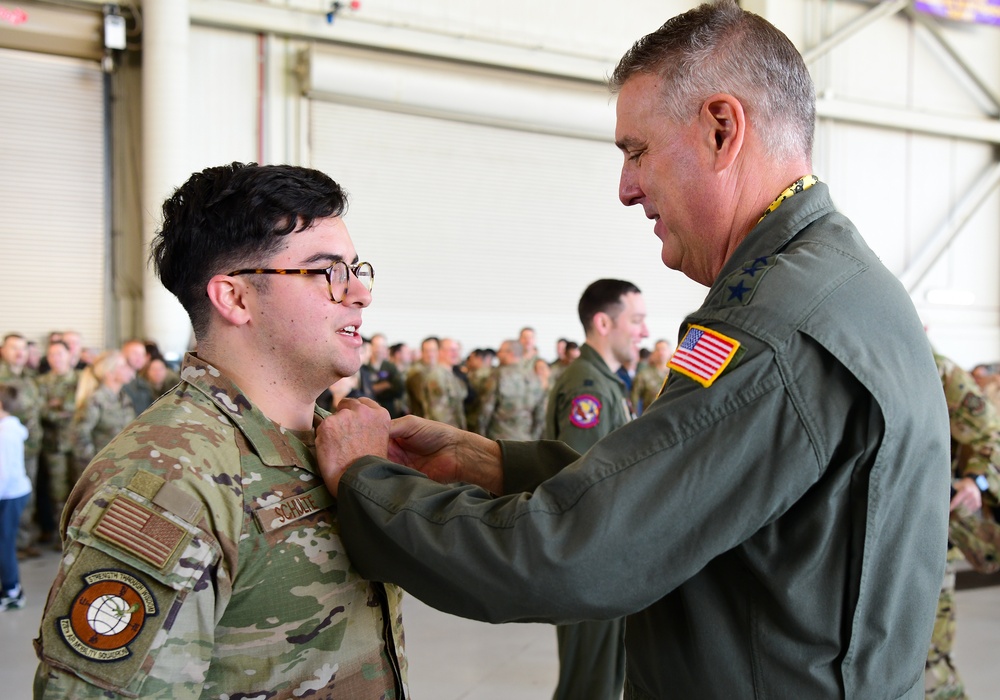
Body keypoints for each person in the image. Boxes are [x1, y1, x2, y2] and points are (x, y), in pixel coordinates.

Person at [314, 3, 950, 698]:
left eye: (637, 151)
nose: (625, 189)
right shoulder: (833, 283)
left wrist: (370, 486)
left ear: (720, 129)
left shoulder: (777, 330)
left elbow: (575, 557)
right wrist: (497, 465)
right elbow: (696, 495)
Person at [33, 162, 408, 699]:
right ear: (234, 298)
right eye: (328, 272)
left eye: (357, 269)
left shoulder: (335, 441)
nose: (360, 294)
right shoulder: (169, 481)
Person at [543, 279, 646, 700]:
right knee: (589, 689)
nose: (643, 330)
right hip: (589, 562)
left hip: (600, 560)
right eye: (636, 320)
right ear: (604, 323)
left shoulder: (604, 380)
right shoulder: (589, 387)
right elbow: (578, 482)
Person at [926, 352, 1000, 700]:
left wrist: (976, 483)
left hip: (929, 528)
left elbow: (991, 436)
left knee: (930, 659)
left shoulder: (938, 370)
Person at [0, 333, 42, 558]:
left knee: (26, 495)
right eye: (14, 348)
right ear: (3, 351)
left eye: (23, 348)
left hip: (30, 448)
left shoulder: (31, 377)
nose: (19, 352)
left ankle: (23, 541)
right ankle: (9, 546)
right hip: (6, 449)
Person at [35, 340, 79, 546]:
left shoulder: (81, 379)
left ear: (70, 355)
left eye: (60, 354)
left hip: (79, 442)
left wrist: (56, 406)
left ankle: (78, 533)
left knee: (80, 488)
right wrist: (64, 410)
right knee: (57, 491)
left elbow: (82, 406)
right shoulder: (41, 382)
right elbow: (40, 410)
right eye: (52, 355)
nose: (56, 359)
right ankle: (60, 534)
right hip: (54, 446)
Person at [69, 350, 137, 479]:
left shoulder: (123, 398)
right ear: (109, 373)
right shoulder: (96, 400)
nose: (128, 369)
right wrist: (94, 466)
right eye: (122, 366)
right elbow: (79, 435)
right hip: (99, 473)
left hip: (120, 466)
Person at [477, 340, 545, 441]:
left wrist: (480, 437)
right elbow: (540, 414)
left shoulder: (498, 375)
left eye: (501, 351)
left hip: (498, 440)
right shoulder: (534, 377)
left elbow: (486, 410)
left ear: (510, 353)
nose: (498, 354)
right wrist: (533, 438)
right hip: (526, 439)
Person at [0, 384, 30, 610]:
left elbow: (3, 473)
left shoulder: (5, 434)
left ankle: (12, 591)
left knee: (4, 543)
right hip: (11, 492)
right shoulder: (9, 429)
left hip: (9, 495)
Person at [631, 339, 671, 415]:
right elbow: (634, 400)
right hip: (650, 418)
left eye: (664, 349)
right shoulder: (643, 375)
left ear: (670, 352)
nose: (661, 353)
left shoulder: (676, 376)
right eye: (658, 350)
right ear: (653, 353)